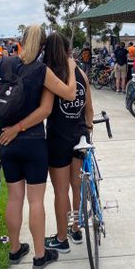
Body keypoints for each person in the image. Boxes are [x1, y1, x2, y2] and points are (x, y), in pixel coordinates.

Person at [0, 24, 77, 269]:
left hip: (6, 142)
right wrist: (72, 68)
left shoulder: (3, 64)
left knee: (14, 198)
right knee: (35, 201)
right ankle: (40, 256)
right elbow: (66, 95)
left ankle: (14, 250)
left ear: (21, 41)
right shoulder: (42, 71)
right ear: (43, 46)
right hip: (33, 143)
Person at [43, 32, 94, 253]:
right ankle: (76, 228)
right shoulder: (81, 73)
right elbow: (89, 109)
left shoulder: (50, 76)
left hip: (58, 138)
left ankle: (62, 238)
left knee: (61, 191)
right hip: (80, 136)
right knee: (76, 187)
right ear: (66, 50)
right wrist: (88, 131)